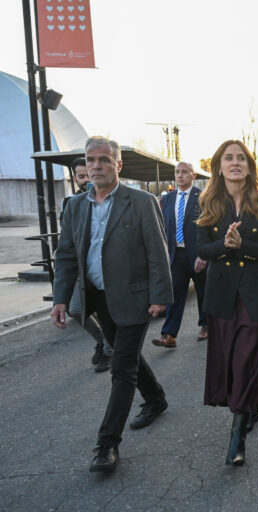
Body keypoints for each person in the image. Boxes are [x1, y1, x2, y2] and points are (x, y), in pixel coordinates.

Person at [52, 136, 173, 473]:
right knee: (127, 354)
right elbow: (65, 256)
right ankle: (156, 399)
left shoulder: (140, 201)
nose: (96, 166)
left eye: (104, 160)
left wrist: (160, 295)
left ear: (118, 165)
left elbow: (157, 251)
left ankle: (107, 444)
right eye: (91, 160)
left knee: (121, 368)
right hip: (98, 298)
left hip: (135, 297)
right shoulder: (75, 207)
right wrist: (61, 297)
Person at [197, 140, 258, 466]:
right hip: (221, 294)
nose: (235, 163)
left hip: (253, 294)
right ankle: (251, 405)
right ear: (219, 165)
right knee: (231, 359)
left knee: (246, 358)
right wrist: (225, 245)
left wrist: (243, 245)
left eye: (241, 158)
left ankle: (237, 437)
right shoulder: (206, 200)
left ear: (249, 165)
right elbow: (202, 250)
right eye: (228, 158)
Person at [61, 157, 111, 372]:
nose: (86, 180)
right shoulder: (71, 203)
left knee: (108, 313)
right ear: (75, 178)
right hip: (83, 269)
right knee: (75, 309)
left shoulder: (110, 200)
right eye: (81, 176)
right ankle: (102, 340)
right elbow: (67, 242)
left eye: (88, 175)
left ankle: (109, 351)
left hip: (107, 269)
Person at [151, 162, 208, 349]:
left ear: (193, 175)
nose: (180, 175)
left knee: (203, 291)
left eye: (184, 172)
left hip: (198, 255)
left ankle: (206, 325)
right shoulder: (167, 199)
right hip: (176, 255)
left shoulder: (203, 197)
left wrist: (204, 254)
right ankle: (169, 334)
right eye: (177, 172)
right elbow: (162, 228)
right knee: (175, 293)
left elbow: (208, 228)